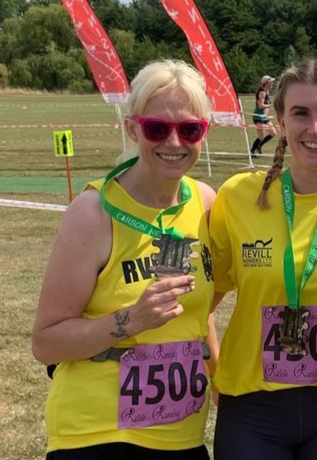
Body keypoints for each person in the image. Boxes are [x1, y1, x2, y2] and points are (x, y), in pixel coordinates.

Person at [32, 59, 218, 460]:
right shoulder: (92, 212)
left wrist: (223, 386)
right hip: (99, 434)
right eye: (156, 128)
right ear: (132, 128)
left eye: (189, 129)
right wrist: (130, 320)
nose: (173, 143)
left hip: (182, 434)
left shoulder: (205, 202)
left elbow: (201, 315)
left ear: (205, 132)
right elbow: (46, 343)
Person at [209, 58, 317, 460]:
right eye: (300, 114)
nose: (315, 128)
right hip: (252, 408)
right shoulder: (238, 196)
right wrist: (212, 362)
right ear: (280, 121)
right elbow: (202, 301)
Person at [250, 75, 277, 156]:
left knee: (273, 133)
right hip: (258, 117)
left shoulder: (266, 92)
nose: (272, 83)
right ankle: (252, 152)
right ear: (266, 83)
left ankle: (259, 146)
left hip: (265, 117)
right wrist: (271, 105)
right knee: (261, 136)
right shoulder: (262, 93)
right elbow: (260, 106)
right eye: (271, 82)